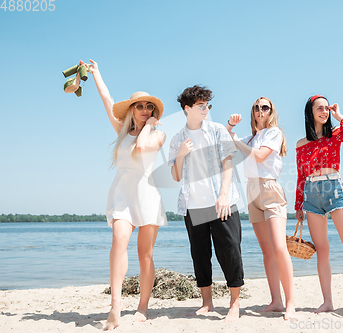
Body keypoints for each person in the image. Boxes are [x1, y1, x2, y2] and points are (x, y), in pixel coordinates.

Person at [86, 59, 168, 330]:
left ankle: (143, 307)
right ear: (132, 109)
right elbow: (107, 99)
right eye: (139, 106)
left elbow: (143, 148)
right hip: (122, 194)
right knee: (118, 242)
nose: (144, 110)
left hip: (147, 196)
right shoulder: (121, 132)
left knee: (145, 254)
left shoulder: (158, 135)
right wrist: (97, 74)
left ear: (153, 112)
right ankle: (116, 306)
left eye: (148, 107)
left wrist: (149, 125)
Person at [168, 85, 244, 322]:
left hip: (222, 202)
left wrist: (223, 195)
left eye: (207, 105)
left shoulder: (217, 130)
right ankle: (207, 303)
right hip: (193, 205)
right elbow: (176, 176)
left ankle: (234, 304)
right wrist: (180, 154)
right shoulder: (177, 139)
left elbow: (228, 163)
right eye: (202, 106)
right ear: (187, 109)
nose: (206, 109)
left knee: (230, 250)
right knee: (200, 254)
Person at [295, 95, 343, 313]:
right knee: (322, 250)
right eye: (319, 108)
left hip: (334, 189)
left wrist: (339, 116)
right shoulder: (302, 143)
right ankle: (328, 302)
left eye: (326, 108)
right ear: (310, 112)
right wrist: (298, 205)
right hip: (311, 195)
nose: (324, 111)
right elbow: (301, 176)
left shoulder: (336, 134)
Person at [226, 97, 295, 320]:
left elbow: (259, 155)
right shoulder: (252, 137)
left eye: (264, 107)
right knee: (266, 251)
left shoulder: (274, 133)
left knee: (278, 248)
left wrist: (237, 141)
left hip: (269, 188)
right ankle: (276, 300)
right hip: (252, 190)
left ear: (271, 111)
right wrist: (230, 126)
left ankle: (290, 303)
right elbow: (228, 142)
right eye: (256, 107)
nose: (260, 110)